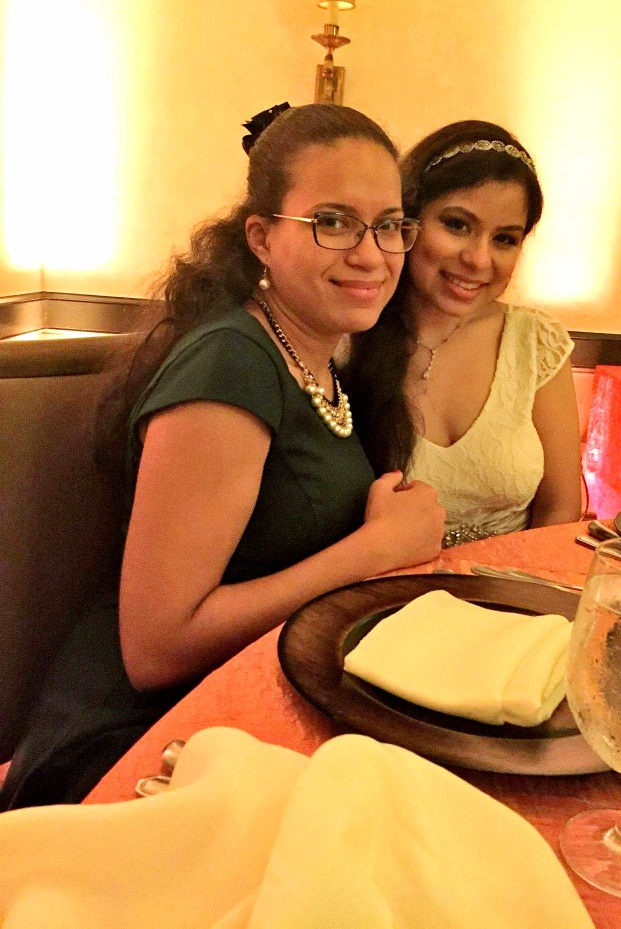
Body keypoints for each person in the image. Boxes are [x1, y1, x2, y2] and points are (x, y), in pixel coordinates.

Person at [0, 103, 444, 809]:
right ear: (262, 238)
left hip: (243, 717)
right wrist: (374, 549)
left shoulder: (322, 362)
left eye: (389, 225)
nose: (371, 252)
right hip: (134, 748)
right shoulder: (231, 363)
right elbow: (155, 649)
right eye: (332, 222)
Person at [345, 120, 582, 547]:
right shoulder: (348, 333)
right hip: (376, 594)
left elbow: (560, 509)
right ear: (406, 221)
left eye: (504, 239)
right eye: (457, 225)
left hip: (506, 595)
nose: (478, 259)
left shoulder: (535, 342)